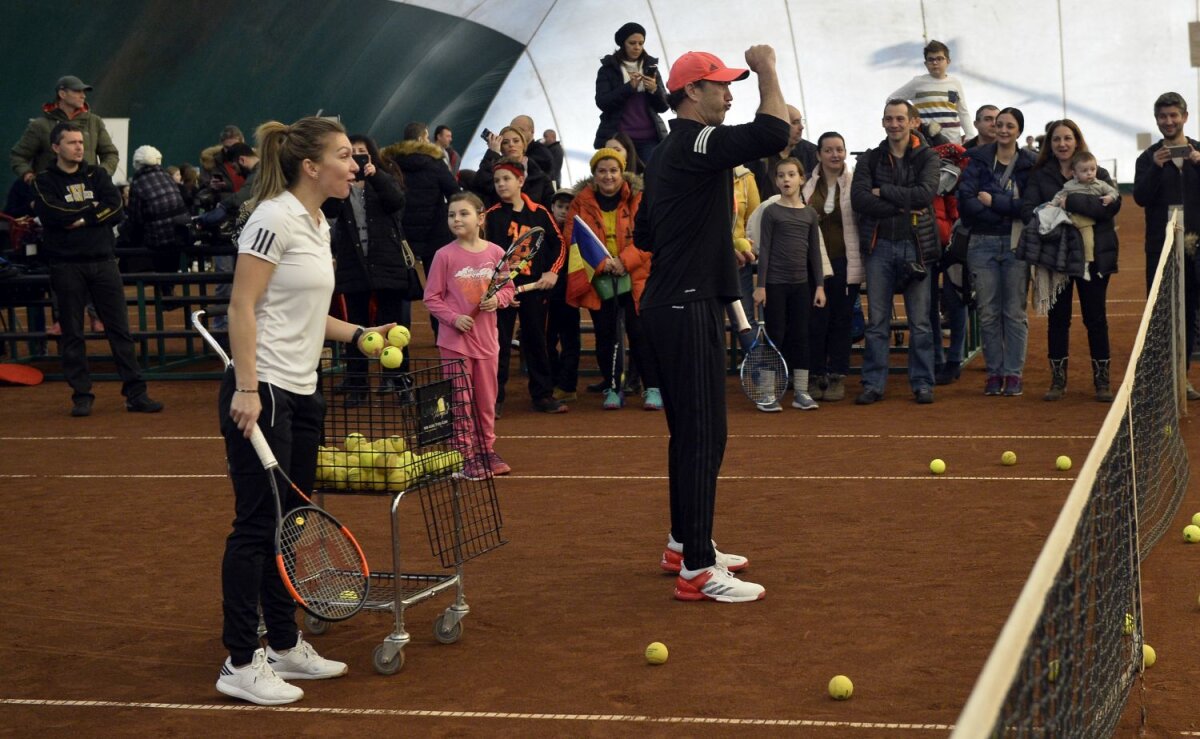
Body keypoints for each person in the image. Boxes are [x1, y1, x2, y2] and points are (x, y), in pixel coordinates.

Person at [215, 116, 391, 706]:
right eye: (345, 156)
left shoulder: (319, 221)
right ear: (310, 166)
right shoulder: (272, 217)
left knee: (290, 522)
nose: (355, 164)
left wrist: (361, 333)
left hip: (302, 388)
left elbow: (308, 314)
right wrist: (245, 388)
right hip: (261, 390)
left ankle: (286, 644)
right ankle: (241, 660)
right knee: (256, 526)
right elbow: (243, 305)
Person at [633, 45, 789, 602]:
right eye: (720, 85)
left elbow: (645, 235)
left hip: (673, 303)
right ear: (690, 93)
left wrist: (710, 243)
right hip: (686, 306)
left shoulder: (670, 155)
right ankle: (696, 570)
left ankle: (684, 542)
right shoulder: (696, 140)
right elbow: (772, 131)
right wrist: (767, 67)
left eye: (734, 83)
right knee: (703, 436)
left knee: (694, 434)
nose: (730, 93)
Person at [31, 123, 163, 417]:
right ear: (56, 147)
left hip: (104, 263)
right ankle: (81, 395)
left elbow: (115, 207)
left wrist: (82, 219)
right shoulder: (44, 181)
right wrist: (93, 212)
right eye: (71, 142)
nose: (79, 147)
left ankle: (136, 393)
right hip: (66, 266)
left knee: (120, 331)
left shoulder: (97, 174)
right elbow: (52, 214)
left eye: (81, 142)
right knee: (73, 333)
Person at [1021, 119, 1121, 402]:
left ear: (1077, 141)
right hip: (1057, 259)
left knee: (1096, 319)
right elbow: (1028, 210)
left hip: (1094, 258)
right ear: (1049, 144)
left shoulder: (1097, 171)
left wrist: (1071, 203)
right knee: (1058, 320)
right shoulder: (1040, 175)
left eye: (1067, 138)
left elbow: (1111, 208)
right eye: (1056, 139)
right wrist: (1053, 217)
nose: (1062, 144)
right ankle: (1057, 381)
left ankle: (1102, 382)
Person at [851, 99, 941, 405]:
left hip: (917, 246)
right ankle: (873, 384)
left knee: (920, 322)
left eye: (900, 118)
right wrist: (905, 204)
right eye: (889, 118)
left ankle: (922, 382)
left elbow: (926, 195)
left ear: (913, 121)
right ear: (883, 122)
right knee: (877, 321)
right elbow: (861, 200)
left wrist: (885, 192)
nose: (894, 124)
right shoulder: (870, 159)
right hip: (880, 247)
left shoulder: (927, 157)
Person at [424, 191, 516, 478]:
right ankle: (463, 455)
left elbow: (508, 289)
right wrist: (454, 318)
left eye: (463, 213)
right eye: (452, 215)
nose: (456, 219)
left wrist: (497, 301)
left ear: (480, 217)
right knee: (460, 400)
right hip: (455, 343)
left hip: (488, 342)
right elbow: (432, 298)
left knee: (487, 400)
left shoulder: (497, 254)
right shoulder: (444, 255)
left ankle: (485, 450)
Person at [563, 147, 660, 410]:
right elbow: (573, 238)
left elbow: (650, 237)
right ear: (594, 174)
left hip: (636, 277)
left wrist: (623, 262)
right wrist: (604, 263)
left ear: (622, 172)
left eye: (613, 171)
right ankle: (612, 387)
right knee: (606, 335)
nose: (608, 176)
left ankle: (652, 387)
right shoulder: (580, 202)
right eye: (602, 171)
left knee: (641, 333)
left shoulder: (639, 199)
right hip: (601, 279)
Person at [323, 133, 410, 404]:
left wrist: (375, 175)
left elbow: (396, 202)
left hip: (387, 263)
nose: (357, 158)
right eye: (350, 153)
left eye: (362, 153)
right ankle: (358, 385)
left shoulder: (384, 178)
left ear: (372, 154)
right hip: (353, 266)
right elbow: (329, 210)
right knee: (356, 327)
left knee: (394, 327)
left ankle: (398, 381)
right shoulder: (341, 185)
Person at [958, 107, 1035, 396]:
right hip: (981, 244)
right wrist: (1004, 209)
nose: (1002, 130)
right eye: (998, 124)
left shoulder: (1030, 163)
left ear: (1019, 130)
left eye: (1009, 126)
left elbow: (1028, 207)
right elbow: (965, 201)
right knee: (988, 313)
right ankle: (994, 373)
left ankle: (1013, 374)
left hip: (1016, 244)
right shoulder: (977, 160)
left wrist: (993, 203)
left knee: (1014, 313)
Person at [484, 157, 568, 415]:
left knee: (536, 340)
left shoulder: (540, 213)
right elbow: (483, 255)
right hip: (502, 294)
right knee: (498, 344)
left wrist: (552, 273)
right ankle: (494, 399)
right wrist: (499, 290)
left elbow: (559, 245)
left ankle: (542, 395)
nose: (501, 184)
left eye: (506, 179)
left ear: (520, 180)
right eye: (497, 180)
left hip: (534, 291)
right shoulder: (491, 216)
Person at [1133, 91, 1200, 400]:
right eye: (1163, 116)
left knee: (1190, 314)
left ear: (1184, 117)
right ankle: (1164, 381)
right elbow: (1141, 198)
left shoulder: (1199, 153)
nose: (1169, 121)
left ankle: (1182, 377)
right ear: (1157, 120)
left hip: (1195, 247)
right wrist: (1155, 169)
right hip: (1160, 249)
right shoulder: (1147, 159)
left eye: (1174, 115)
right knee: (1162, 315)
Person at [753, 157, 826, 411]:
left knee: (801, 336)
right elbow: (765, 250)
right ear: (776, 181)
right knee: (776, 336)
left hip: (801, 285)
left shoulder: (809, 214)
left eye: (791, 175)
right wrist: (761, 286)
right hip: (775, 285)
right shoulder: (771, 212)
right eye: (781, 175)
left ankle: (802, 393)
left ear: (801, 178)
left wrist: (819, 286)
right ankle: (767, 393)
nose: (786, 180)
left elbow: (814, 253)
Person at [802, 132, 863, 402]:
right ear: (818, 154)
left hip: (845, 263)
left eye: (840, 149)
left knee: (841, 321)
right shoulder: (806, 186)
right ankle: (815, 376)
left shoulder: (855, 183)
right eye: (829, 150)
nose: (835, 154)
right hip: (813, 267)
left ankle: (837, 375)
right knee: (815, 322)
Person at [384, 122, 459, 308]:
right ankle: (442, 333)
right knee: (439, 290)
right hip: (435, 232)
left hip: (401, 234)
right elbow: (455, 193)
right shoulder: (436, 163)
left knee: (400, 287)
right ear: (420, 139)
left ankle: (398, 333)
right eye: (426, 137)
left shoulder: (391, 164)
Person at [11, 75, 119, 183]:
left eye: (84, 92)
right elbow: (18, 156)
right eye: (77, 91)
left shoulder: (94, 122)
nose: (83, 96)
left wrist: (100, 174)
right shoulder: (39, 125)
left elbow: (111, 154)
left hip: (87, 191)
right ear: (62, 94)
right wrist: (28, 175)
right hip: (52, 193)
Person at [593, 22, 669, 164]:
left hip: (650, 139)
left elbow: (664, 106)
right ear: (623, 44)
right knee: (620, 181)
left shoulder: (651, 68)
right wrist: (628, 88)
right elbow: (602, 102)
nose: (637, 47)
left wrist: (653, 90)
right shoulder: (608, 69)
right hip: (619, 140)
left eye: (641, 43)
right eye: (632, 43)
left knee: (652, 179)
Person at [127, 145, 190, 295]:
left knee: (158, 269)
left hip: (159, 238)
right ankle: (168, 294)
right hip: (181, 234)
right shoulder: (166, 176)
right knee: (169, 271)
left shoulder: (137, 183)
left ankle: (165, 295)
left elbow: (135, 217)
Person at [888, 40, 974, 145]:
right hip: (927, 144)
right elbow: (891, 99)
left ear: (948, 61)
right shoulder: (918, 82)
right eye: (930, 59)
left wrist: (970, 135)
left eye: (939, 58)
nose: (935, 62)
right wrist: (912, 115)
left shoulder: (955, 83)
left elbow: (962, 111)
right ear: (925, 63)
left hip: (954, 143)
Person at [546, 188, 582, 402]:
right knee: (547, 340)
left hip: (569, 295)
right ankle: (552, 380)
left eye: (568, 208)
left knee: (570, 341)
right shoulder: (543, 231)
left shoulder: (578, 232)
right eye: (560, 206)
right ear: (552, 207)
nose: (563, 211)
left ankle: (568, 385)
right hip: (547, 296)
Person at [472, 125, 553, 208]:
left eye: (516, 141)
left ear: (523, 144)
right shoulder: (493, 169)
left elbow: (551, 207)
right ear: (501, 148)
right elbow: (481, 184)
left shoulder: (541, 177)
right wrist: (493, 153)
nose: (511, 144)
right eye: (505, 142)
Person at [752, 105, 818, 198]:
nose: (801, 127)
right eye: (795, 122)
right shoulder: (757, 155)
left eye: (801, 121)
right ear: (779, 125)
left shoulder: (811, 152)